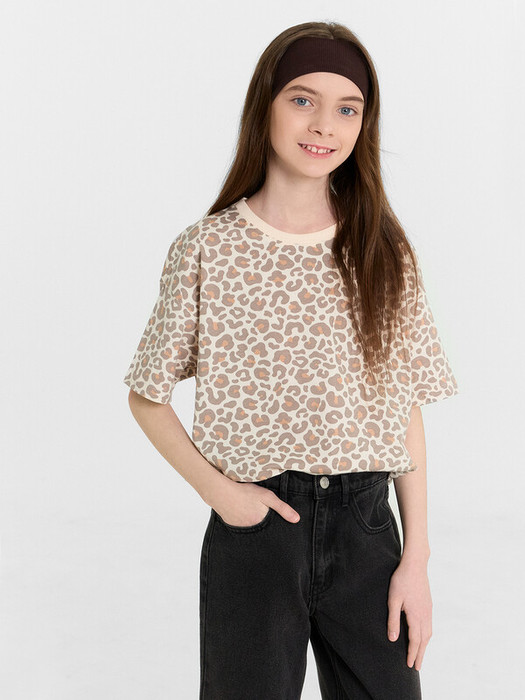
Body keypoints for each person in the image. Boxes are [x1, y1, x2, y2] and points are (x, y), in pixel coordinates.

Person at [123, 20, 459, 700]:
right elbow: (146, 394)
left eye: (347, 109)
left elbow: (404, 409)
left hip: (366, 529)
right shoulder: (208, 249)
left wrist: (415, 559)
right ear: (266, 106)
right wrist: (220, 494)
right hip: (257, 530)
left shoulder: (381, 250)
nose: (324, 125)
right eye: (302, 99)